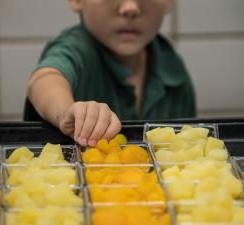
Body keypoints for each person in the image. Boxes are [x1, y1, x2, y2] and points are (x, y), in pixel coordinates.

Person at [26, 0, 196, 147]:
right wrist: (65, 111)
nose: (130, 7)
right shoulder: (75, 49)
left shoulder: (172, 65)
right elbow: (45, 79)